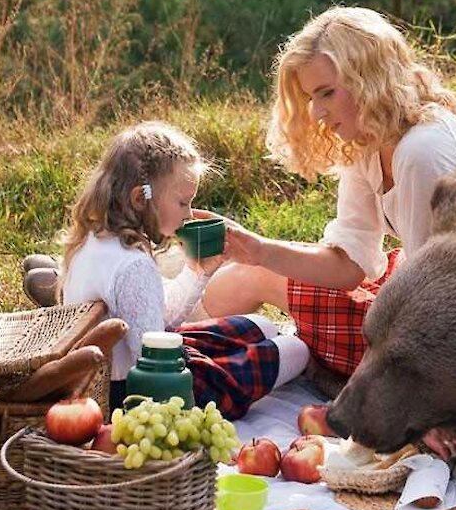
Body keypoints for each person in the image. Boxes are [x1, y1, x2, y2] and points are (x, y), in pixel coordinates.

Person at [199, 6, 456, 393]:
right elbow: (350, 265)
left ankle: (179, 354)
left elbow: (434, 297)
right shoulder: (369, 141)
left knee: (250, 282)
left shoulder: (421, 151)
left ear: (368, 78)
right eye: (311, 97)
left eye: (327, 93)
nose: (315, 112)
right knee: (247, 274)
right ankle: (182, 350)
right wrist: (259, 249)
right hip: (435, 299)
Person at [42, 120, 308, 419]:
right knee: (296, 350)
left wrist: (198, 270)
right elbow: (156, 360)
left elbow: (157, 317)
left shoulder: (97, 239)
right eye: (183, 202)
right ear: (140, 199)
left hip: (129, 368)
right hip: (141, 394)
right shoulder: (133, 265)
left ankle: (252, 348)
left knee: (263, 326)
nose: (190, 214)